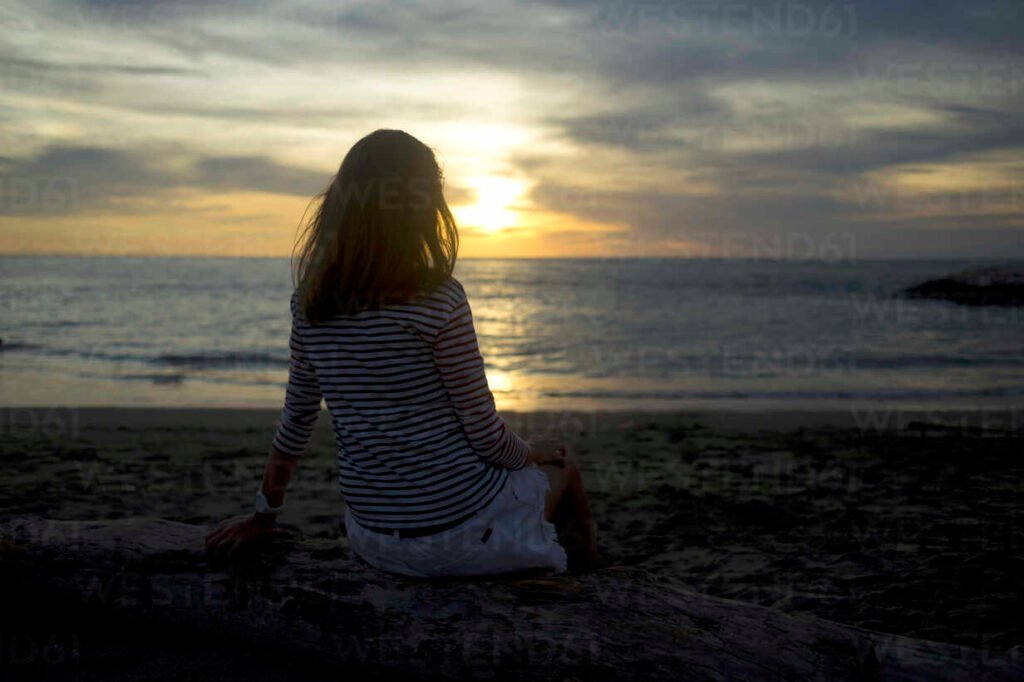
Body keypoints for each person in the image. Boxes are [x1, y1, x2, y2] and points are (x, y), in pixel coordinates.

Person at [205, 129, 599, 576]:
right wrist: (532, 451)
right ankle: (587, 593)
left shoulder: (310, 304)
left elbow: (297, 419)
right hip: (462, 536)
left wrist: (263, 515)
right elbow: (485, 435)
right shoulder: (440, 300)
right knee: (565, 468)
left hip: (374, 540)